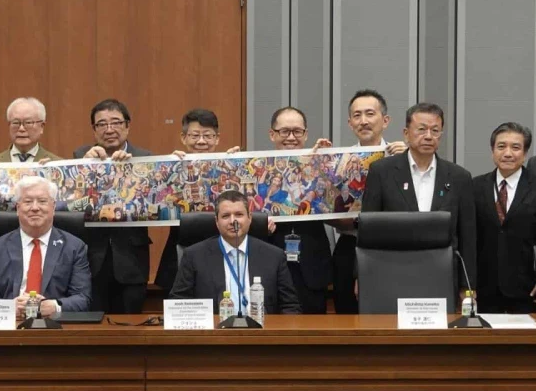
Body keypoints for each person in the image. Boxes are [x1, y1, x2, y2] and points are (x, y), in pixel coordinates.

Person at [362, 102, 477, 293]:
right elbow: (368, 229)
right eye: (421, 130)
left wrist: (468, 285)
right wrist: (362, 274)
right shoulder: (382, 172)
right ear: (406, 133)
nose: (428, 136)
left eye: (435, 130)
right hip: (391, 272)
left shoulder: (459, 177)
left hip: (442, 276)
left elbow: (468, 237)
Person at [329, 89, 407, 314]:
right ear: (350, 122)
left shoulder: (403, 158)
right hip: (350, 245)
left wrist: (409, 160)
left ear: (385, 120)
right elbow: (327, 209)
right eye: (357, 115)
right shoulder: (338, 161)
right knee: (347, 316)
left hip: (393, 247)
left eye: (370, 114)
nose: (363, 121)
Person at [72, 99, 152, 313]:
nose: (109, 129)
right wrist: (85, 168)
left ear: (127, 125)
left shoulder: (144, 158)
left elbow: (151, 204)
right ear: (94, 129)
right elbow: (74, 204)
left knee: (132, 327)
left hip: (131, 258)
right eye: (102, 124)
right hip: (92, 257)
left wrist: (130, 172)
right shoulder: (80, 156)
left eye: (116, 123)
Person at [474, 123, 536, 313]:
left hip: (527, 289)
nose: (508, 153)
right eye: (501, 146)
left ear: (525, 153)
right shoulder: (475, 187)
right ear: (492, 151)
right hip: (484, 289)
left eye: (516, 147)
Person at [170, 190, 300, 314]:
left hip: (260, 332)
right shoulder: (194, 256)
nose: (233, 221)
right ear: (216, 221)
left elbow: (290, 306)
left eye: (239, 214)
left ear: (249, 218)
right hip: (215, 334)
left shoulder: (274, 256)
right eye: (226, 216)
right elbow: (178, 303)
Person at [154, 108, 241, 292]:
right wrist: (172, 169)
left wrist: (237, 164)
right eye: (195, 135)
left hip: (225, 247)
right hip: (180, 251)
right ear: (183, 138)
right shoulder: (174, 167)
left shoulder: (229, 167)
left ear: (217, 139)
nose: (201, 141)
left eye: (208, 136)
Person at [0, 176, 91, 317]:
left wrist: (54, 306)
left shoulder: (74, 247)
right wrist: (8, 307)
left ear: (53, 207)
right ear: (18, 209)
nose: (35, 208)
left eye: (42, 201)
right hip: (11, 326)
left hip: (56, 328)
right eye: (28, 202)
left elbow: (83, 299)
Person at [263, 106, 333, 314]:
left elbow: (335, 201)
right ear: (272, 134)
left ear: (306, 134)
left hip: (311, 262)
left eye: (297, 131)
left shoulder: (320, 165)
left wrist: (326, 161)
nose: (291, 137)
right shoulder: (261, 169)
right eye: (284, 131)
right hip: (269, 255)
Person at [0, 97, 63, 243]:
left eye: (28, 122)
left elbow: (66, 210)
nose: (21, 128)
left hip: (46, 243)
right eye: (16, 123)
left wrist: (53, 176)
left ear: (42, 126)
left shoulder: (59, 166)